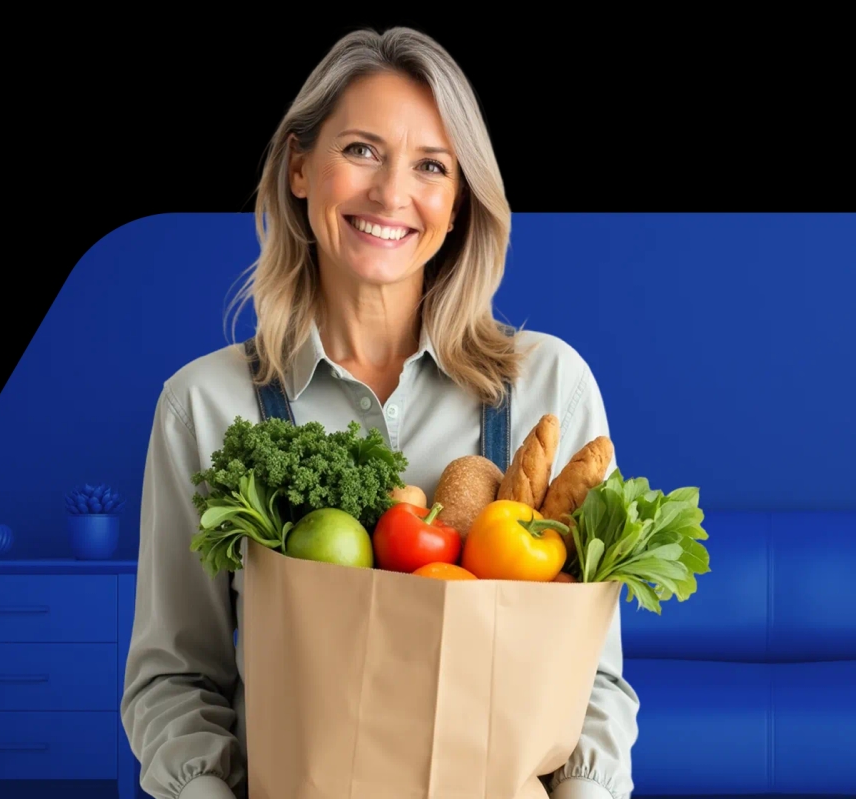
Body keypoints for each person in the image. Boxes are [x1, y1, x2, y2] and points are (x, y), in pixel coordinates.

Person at [120, 27, 638, 799]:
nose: (392, 194)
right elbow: (175, 679)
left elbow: (593, 679)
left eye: (431, 165)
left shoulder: (548, 389)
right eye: (361, 150)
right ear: (299, 166)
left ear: (459, 201)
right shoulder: (204, 406)